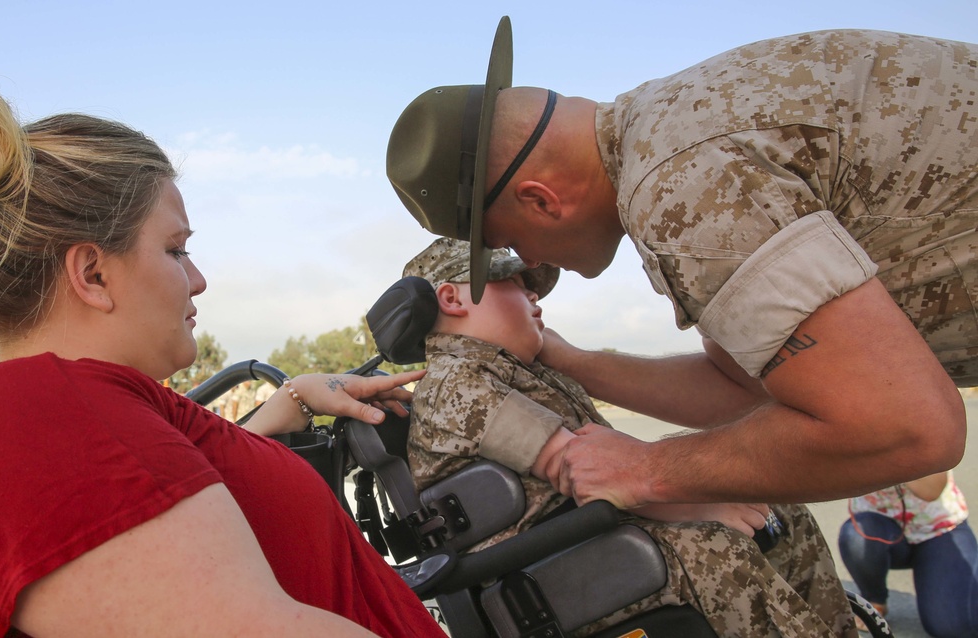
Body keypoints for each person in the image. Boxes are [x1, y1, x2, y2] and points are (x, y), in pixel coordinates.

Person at [385, 19, 977, 509]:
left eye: (513, 241)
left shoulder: (679, 190)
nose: (534, 262)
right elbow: (745, 388)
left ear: (540, 199)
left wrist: (649, 470)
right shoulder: (669, 123)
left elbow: (904, 428)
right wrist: (569, 359)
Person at [0, 86, 445, 637]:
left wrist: (296, 396)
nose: (198, 280)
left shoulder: (87, 410)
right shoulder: (48, 410)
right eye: (175, 250)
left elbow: (184, 475)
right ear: (93, 275)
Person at [402, 236, 857, 637]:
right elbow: (576, 465)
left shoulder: (509, 372)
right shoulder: (457, 381)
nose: (534, 294)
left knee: (782, 514)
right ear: (452, 298)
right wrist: (699, 504)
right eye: (515, 283)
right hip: (567, 566)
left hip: (592, 540)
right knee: (716, 546)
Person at [839, 470, 978, 636]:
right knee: (856, 538)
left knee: (954, 628)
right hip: (876, 524)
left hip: (939, 526)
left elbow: (930, 491)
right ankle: (874, 598)